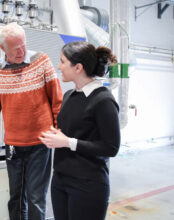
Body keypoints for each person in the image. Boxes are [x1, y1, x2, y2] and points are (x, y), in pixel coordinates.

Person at [0, 22, 63, 220]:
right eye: (15, 48)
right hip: (13, 146)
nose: (21, 51)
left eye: (23, 45)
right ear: (3, 48)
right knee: (16, 198)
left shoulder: (41, 61)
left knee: (36, 198)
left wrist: (58, 132)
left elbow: (57, 101)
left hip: (40, 144)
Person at [39, 41, 121, 220]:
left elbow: (111, 147)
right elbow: (71, 130)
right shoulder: (69, 96)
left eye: (62, 61)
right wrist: (55, 135)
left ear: (78, 68)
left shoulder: (103, 100)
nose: (59, 66)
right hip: (60, 179)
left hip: (88, 184)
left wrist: (68, 142)